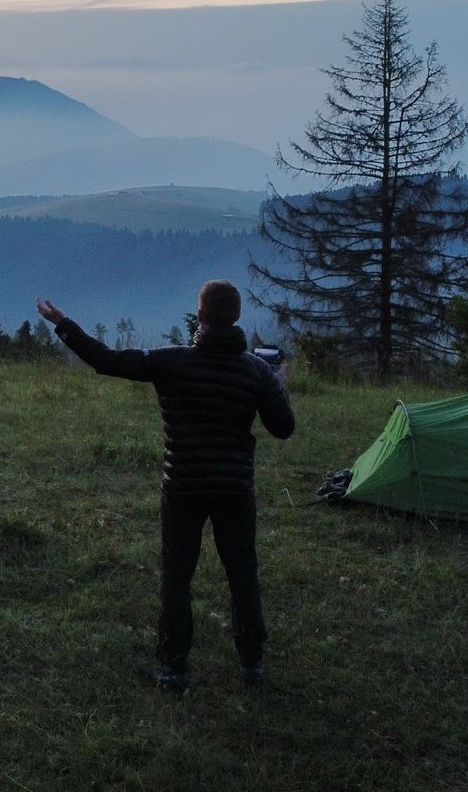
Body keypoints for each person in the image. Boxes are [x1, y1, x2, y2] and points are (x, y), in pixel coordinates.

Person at [37, 280, 294, 692]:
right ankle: (252, 664)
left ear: (202, 316)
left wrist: (63, 323)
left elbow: (107, 360)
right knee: (242, 575)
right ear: (238, 317)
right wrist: (278, 385)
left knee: (177, 579)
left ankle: (173, 669)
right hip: (234, 490)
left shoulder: (172, 362)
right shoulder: (256, 371)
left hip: (183, 487)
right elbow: (283, 428)